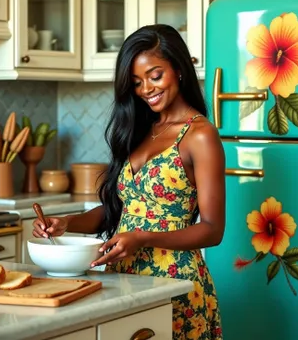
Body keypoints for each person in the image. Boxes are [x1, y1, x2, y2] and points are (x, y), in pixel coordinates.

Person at [33, 24, 225, 340]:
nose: (146, 89)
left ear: (178, 69)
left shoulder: (200, 135)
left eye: (155, 75)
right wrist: (66, 223)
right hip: (123, 278)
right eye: (136, 82)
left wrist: (142, 238)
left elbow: (212, 230)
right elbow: (120, 211)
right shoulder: (139, 129)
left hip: (174, 281)